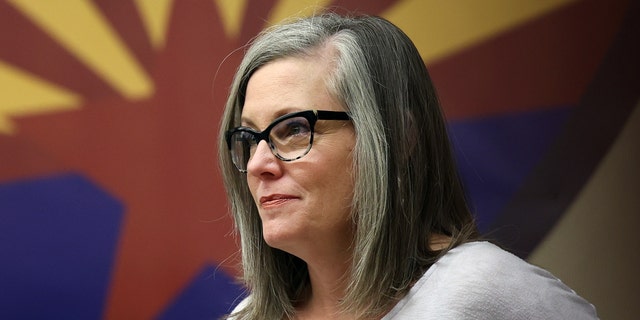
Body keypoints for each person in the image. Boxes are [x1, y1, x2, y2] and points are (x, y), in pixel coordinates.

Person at [218, 13, 598, 319]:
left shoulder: (483, 292)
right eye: (249, 138)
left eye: (295, 129)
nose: (258, 164)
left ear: (398, 139)